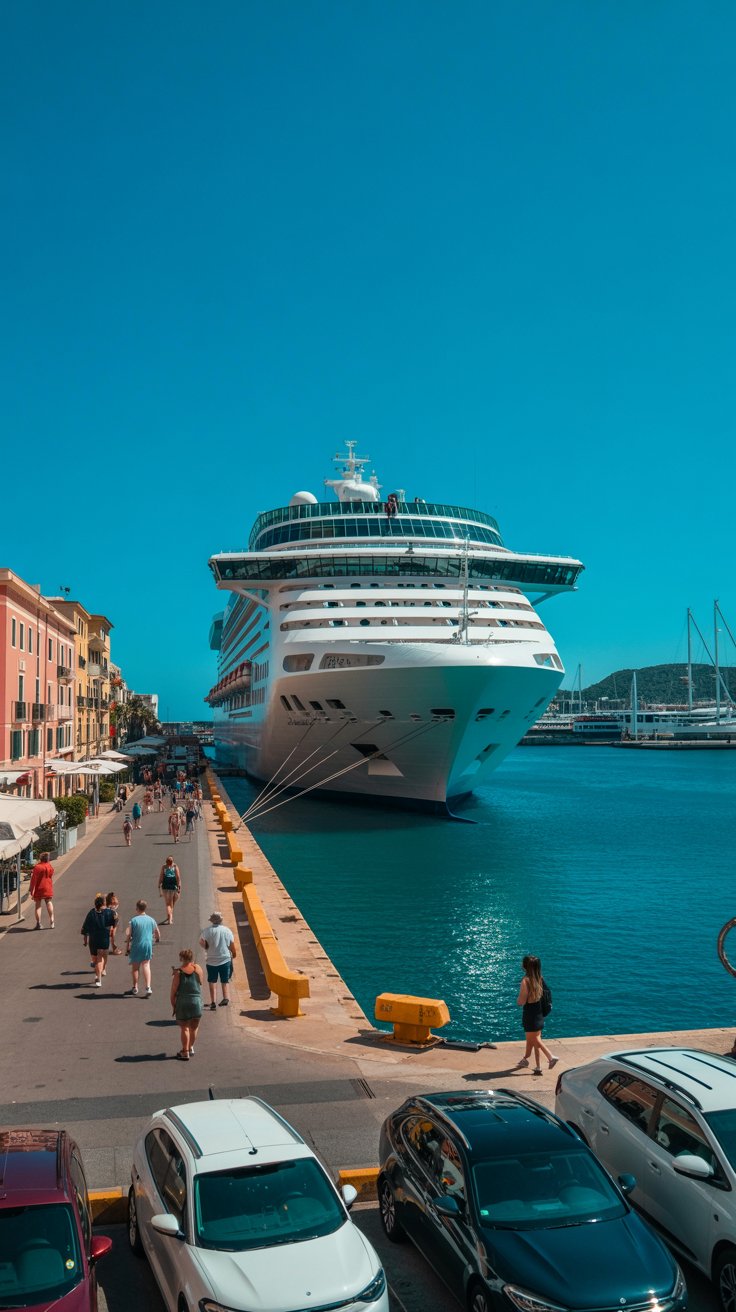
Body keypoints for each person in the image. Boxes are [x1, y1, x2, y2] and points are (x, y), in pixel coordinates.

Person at [515, 954, 558, 1075]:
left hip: (529, 1014)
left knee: (534, 1039)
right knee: (532, 1041)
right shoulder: (539, 978)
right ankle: (533, 1064)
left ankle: (551, 1057)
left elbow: (522, 1001)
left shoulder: (525, 981)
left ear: (525, 966)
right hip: (539, 1012)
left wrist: (518, 1001)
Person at [199, 911, 236, 1010]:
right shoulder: (227, 930)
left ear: (212, 921)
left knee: (212, 981)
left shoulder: (206, 931)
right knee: (225, 980)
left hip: (211, 960)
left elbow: (201, 942)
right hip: (225, 958)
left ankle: (213, 1001)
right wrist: (234, 954)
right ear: (220, 920)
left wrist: (206, 947)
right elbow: (232, 944)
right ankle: (225, 997)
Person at [171, 948, 203, 1060]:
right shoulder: (198, 968)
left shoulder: (178, 973)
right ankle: (190, 1047)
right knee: (194, 1027)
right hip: (196, 1002)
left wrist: (174, 1006)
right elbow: (201, 982)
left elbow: (173, 992)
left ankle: (185, 1051)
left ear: (181, 958)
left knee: (184, 1028)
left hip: (183, 1002)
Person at [125, 899, 160, 996]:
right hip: (147, 945)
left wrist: (127, 947)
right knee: (146, 965)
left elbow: (129, 935)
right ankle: (148, 987)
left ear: (137, 908)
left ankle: (135, 987)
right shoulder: (151, 920)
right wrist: (157, 939)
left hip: (136, 945)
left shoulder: (133, 920)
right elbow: (157, 933)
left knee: (135, 968)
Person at [81, 894, 117, 988]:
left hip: (93, 940)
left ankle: (98, 975)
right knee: (103, 957)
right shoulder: (109, 912)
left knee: (96, 959)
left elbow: (85, 928)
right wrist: (112, 930)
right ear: (104, 903)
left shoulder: (91, 913)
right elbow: (114, 921)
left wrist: (85, 940)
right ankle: (101, 971)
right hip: (104, 938)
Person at [29, 851, 55, 929]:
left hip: (39, 888)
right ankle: (52, 920)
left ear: (40, 858)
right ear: (47, 859)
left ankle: (39, 924)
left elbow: (34, 879)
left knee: (38, 906)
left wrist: (31, 889)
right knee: (49, 902)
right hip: (48, 887)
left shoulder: (37, 867)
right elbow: (51, 874)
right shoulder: (49, 866)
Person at [158, 856, 181, 925]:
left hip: (165, 888)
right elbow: (178, 877)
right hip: (173, 888)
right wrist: (179, 886)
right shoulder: (175, 867)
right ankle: (170, 918)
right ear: (172, 862)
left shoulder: (164, 867)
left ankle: (169, 918)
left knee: (168, 904)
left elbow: (161, 877)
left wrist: (159, 884)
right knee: (172, 904)